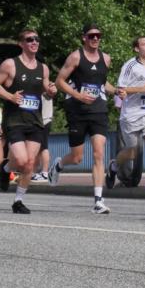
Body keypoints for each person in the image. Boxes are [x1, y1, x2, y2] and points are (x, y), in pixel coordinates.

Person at [50, 23, 116, 214]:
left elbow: (102, 83)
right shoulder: (76, 56)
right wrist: (78, 95)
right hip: (77, 111)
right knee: (77, 158)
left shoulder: (106, 58)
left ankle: (98, 200)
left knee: (98, 153)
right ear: (84, 38)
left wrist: (117, 91)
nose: (95, 39)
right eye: (91, 36)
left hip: (98, 111)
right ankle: (59, 164)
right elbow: (59, 81)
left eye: (98, 36)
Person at [0, 29, 57, 213]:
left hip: (35, 120)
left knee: (30, 164)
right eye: (29, 39)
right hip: (14, 120)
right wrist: (10, 97)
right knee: (21, 160)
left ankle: (18, 201)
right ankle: (6, 168)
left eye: (37, 39)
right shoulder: (10, 65)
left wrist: (51, 90)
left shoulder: (43, 67)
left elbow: (45, 87)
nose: (34, 42)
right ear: (21, 44)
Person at [108, 36, 145, 206]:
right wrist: (142, 89)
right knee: (132, 152)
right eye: (144, 44)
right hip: (131, 115)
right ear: (136, 49)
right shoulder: (129, 66)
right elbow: (120, 90)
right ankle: (113, 166)